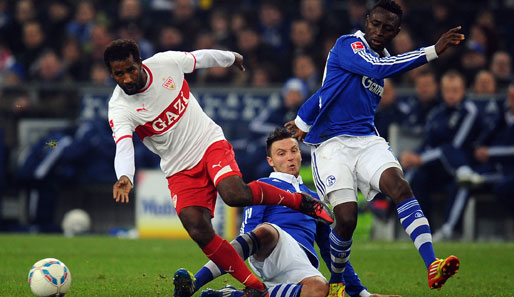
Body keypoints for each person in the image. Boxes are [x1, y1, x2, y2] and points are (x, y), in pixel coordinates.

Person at [104, 39, 334, 297]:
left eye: (130, 69)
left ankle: (298, 201)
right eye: (118, 74)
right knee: (197, 228)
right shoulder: (120, 107)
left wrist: (231, 57)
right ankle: (256, 289)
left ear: (140, 62)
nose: (126, 78)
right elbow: (123, 145)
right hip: (178, 167)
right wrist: (124, 175)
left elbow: (199, 58)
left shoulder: (164, 64)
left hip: (208, 142)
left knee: (234, 194)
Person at [285, 0, 463, 290]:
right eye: (375, 24)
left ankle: (433, 264)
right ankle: (338, 282)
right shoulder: (348, 45)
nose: (379, 31)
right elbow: (374, 70)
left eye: (388, 28)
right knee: (346, 219)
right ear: (366, 20)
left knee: (400, 186)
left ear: (396, 32)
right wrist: (432, 51)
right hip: (332, 146)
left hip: (367, 140)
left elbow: (332, 89)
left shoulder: (384, 58)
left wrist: (304, 119)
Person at [173, 128, 401, 297]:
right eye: (281, 154)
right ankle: (195, 283)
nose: (290, 157)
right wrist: (248, 267)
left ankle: (235, 295)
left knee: (319, 289)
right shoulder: (262, 187)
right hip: (268, 252)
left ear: (300, 154)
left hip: (300, 262)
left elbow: (330, 249)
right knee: (267, 231)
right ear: (271, 161)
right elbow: (250, 233)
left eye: (293, 150)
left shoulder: (315, 198)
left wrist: (361, 293)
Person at [401, 71, 482, 240]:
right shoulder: (436, 114)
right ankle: (423, 228)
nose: (451, 95)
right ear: (442, 91)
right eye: (447, 90)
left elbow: (454, 146)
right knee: (416, 177)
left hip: (462, 165)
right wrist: (413, 156)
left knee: (462, 181)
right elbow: (427, 144)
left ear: (463, 90)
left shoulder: (470, 111)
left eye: (455, 90)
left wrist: (421, 159)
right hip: (438, 167)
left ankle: (448, 230)